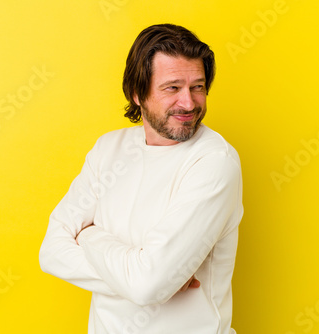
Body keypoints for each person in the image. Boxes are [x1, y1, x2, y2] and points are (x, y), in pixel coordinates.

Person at [39, 23, 243, 334]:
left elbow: (149, 285)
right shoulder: (108, 149)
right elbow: (51, 253)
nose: (189, 103)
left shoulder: (214, 163)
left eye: (197, 87)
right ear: (137, 93)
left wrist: (89, 236)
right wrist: (144, 278)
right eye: (172, 88)